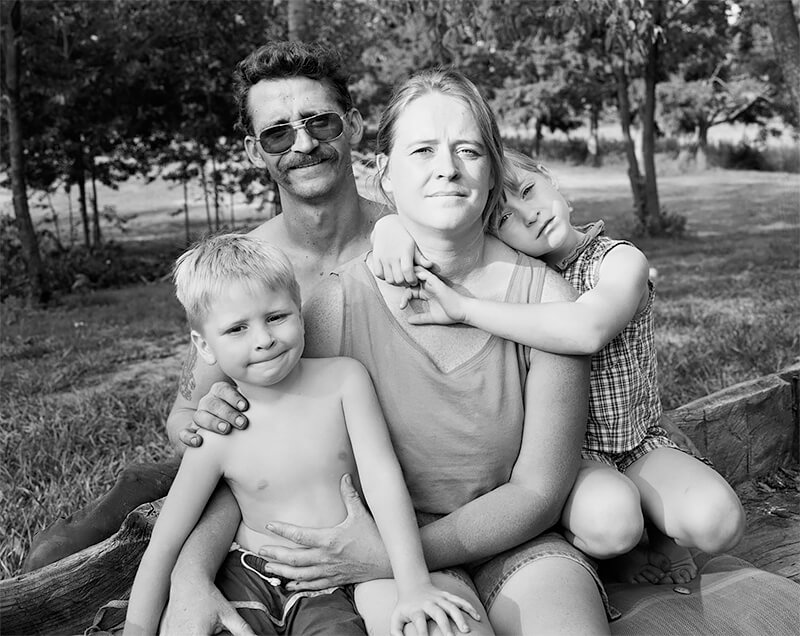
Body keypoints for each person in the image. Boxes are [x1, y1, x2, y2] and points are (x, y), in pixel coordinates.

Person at [175, 67, 613, 635]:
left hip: (510, 539)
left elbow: (538, 491)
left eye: (469, 150)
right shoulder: (328, 307)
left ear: (493, 168)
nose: (447, 168)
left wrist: (388, 557)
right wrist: (189, 572)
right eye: (424, 150)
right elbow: (254, 461)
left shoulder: (544, 298)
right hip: (381, 538)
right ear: (386, 173)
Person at [369, 148, 746, 585]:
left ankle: (661, 533)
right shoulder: (512, 277)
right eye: (505, 218)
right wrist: (388, 225)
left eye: (529, 190)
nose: (528, 216)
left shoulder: (619, 260)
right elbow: (424, 218)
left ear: (552, 180)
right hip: (567, 459)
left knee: (718, 522)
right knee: (612, 523)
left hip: (637, 444)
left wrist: (465, 310)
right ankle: (612, 548)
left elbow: (586, 329)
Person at [124, 234, 479, 635]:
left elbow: (383, 478)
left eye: (276, 317)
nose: (263, 340)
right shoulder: (219, 431)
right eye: (237, 329)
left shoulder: (344, 381)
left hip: (335, 582)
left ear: (299, 310)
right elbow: (166, 543)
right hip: (250, 573)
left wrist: (414, 584)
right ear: (204, 347)